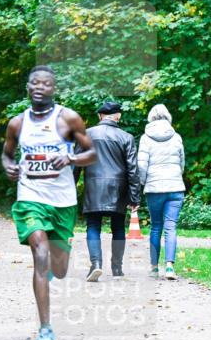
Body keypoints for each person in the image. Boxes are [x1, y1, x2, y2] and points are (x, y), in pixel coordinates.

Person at [1, 66, 97, 340]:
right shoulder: (17, 124)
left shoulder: (68, 119)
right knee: (40, 256)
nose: (39, 87)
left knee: (61, 268)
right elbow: (6, 156)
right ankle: (45, 330)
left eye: (46, 83)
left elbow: (91, 154)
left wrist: (69, 159)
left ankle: (59, 260)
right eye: (34, 82)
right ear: (28, 87)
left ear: (54, 88)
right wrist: (10, 167)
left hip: (63, 201)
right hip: (31, 196)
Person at [74, 100, 140, 280]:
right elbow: (133, 170)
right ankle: (117, 269)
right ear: (118, 116)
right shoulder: (127, 137)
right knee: (118, 227)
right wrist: (135, 197)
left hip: (94, 187)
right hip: (118, 189)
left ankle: (96, 264)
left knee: (93, 225)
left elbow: (76, 165)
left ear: (100, 116)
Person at [137, 104, 185, 280]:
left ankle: (154, 267)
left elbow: (142, 165)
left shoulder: (145, 138)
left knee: (156, 226)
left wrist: (143, 183)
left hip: (154, 189)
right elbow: (182, 163)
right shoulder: (176, 136)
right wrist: (176, 177)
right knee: (171, 226)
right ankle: (170, 267)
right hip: (175, 188)